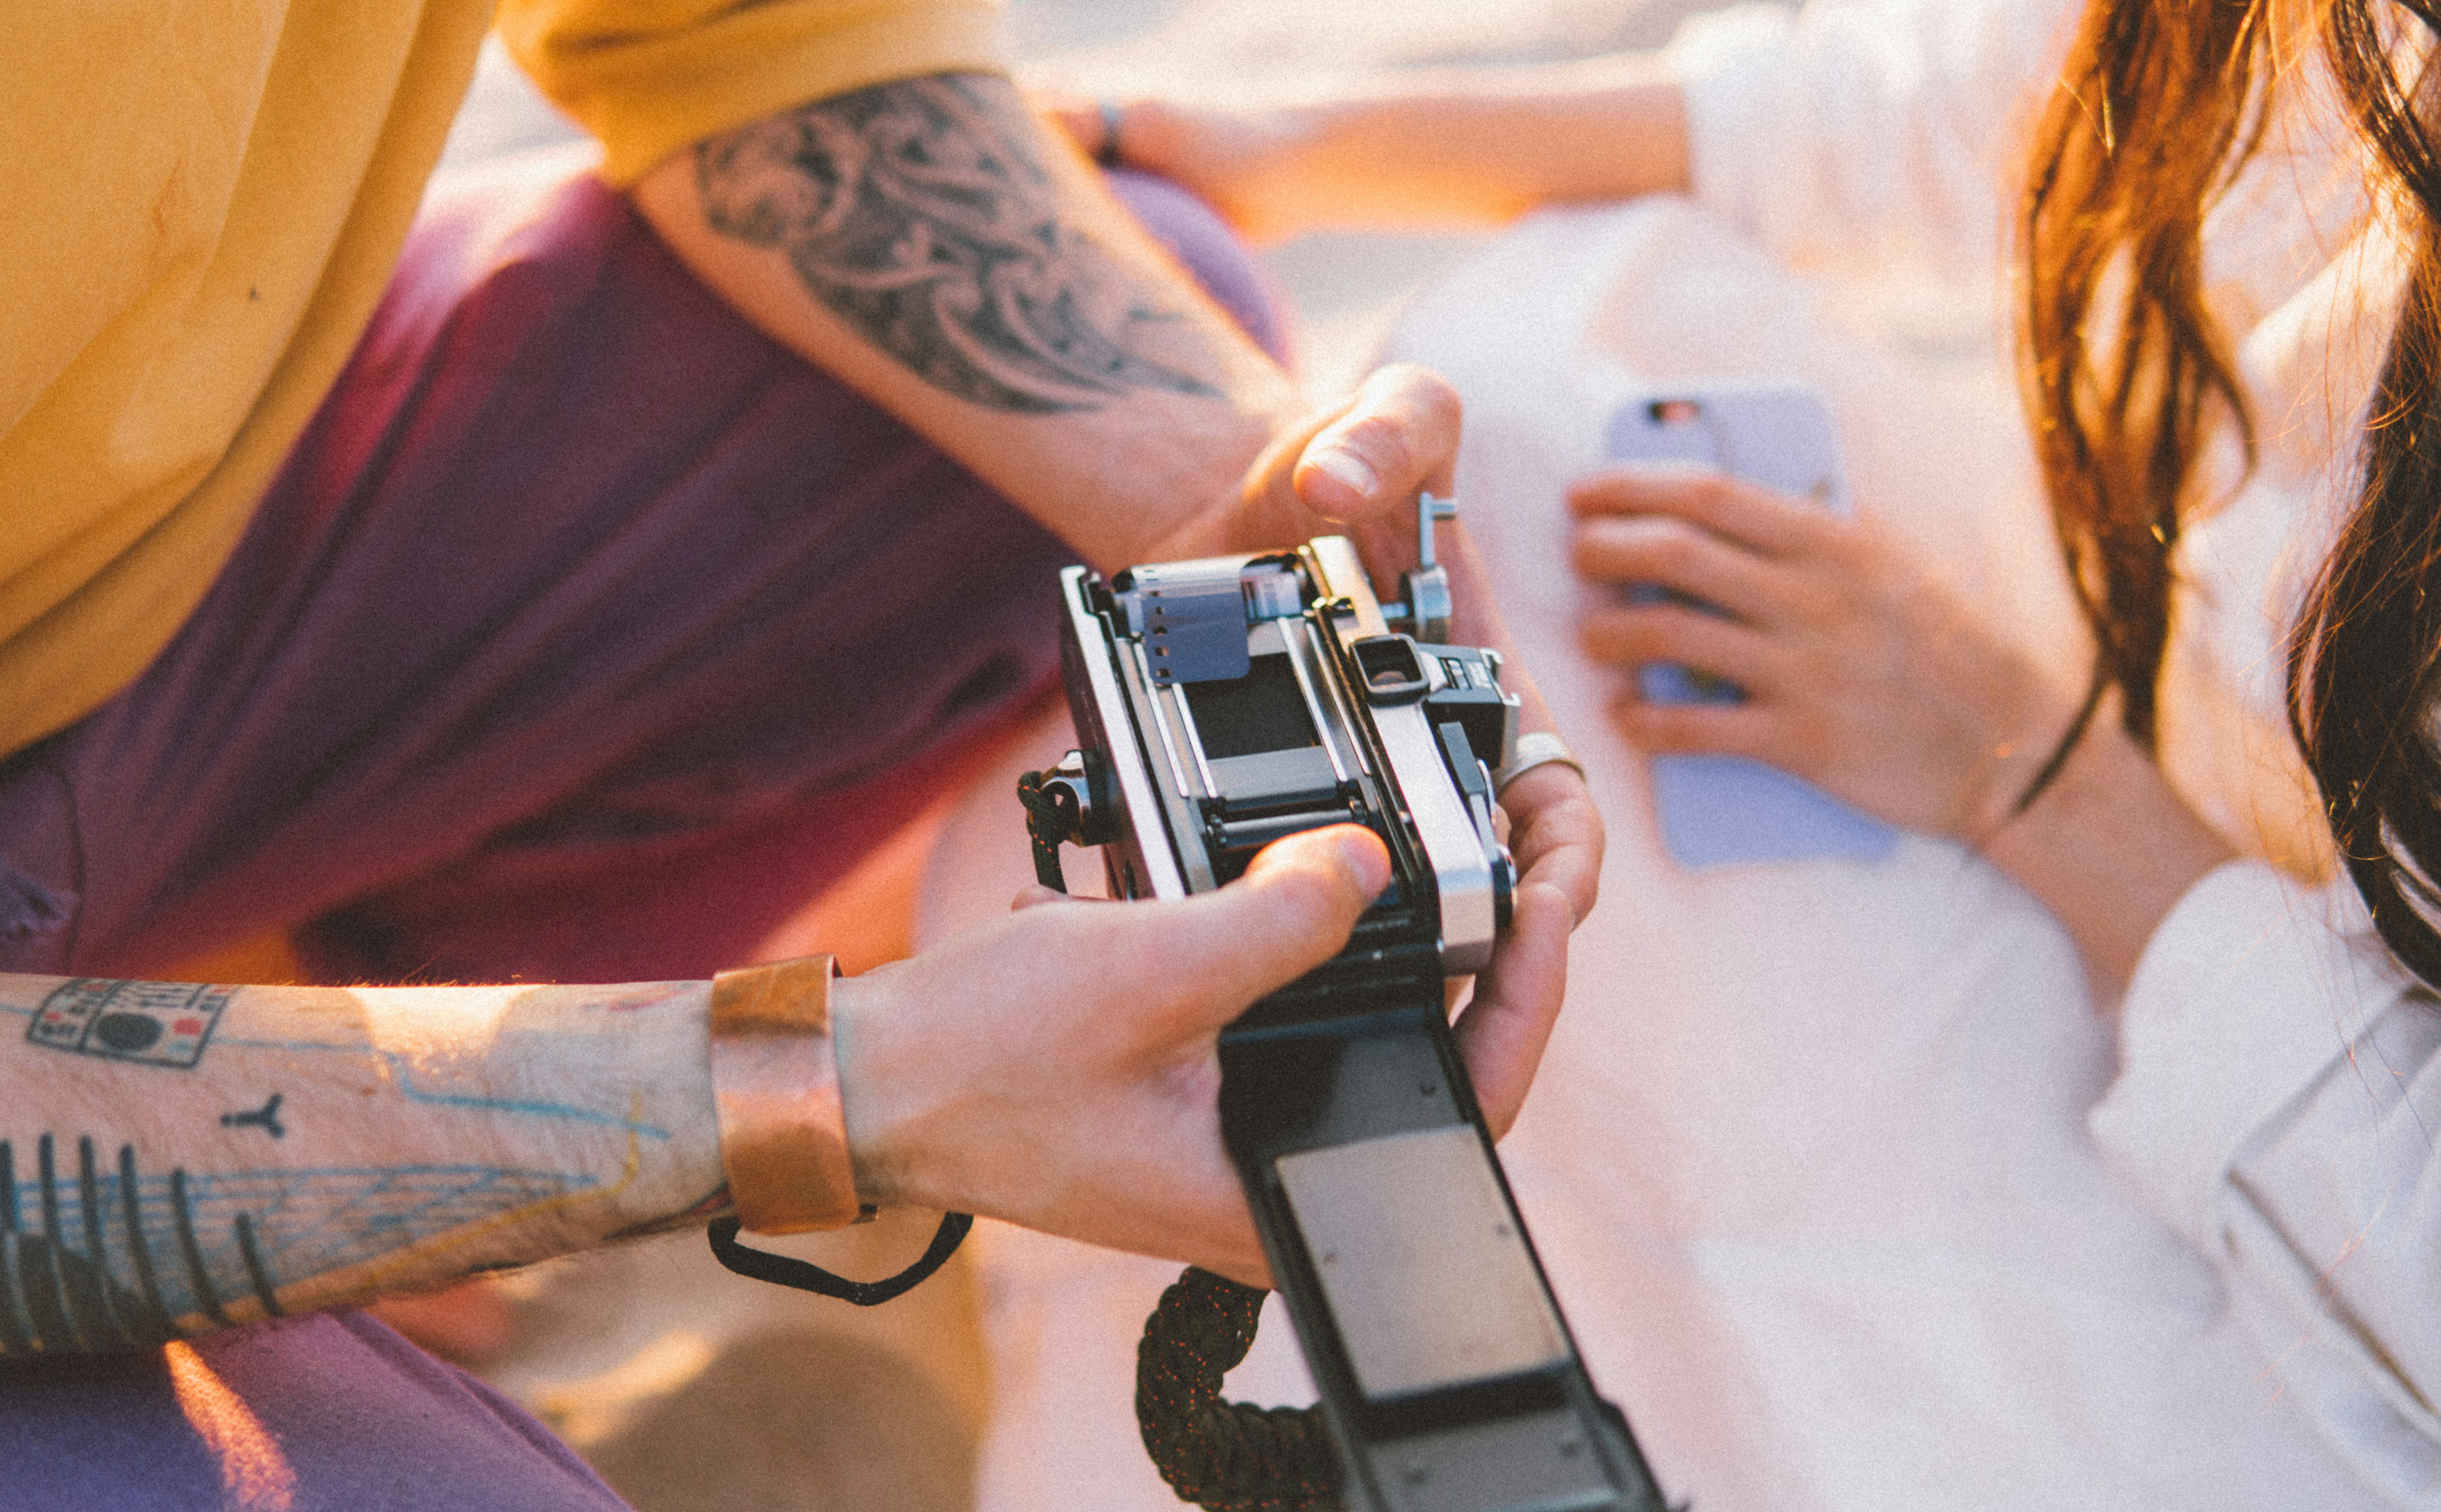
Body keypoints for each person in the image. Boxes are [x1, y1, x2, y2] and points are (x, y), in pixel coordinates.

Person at [0, 0, 1604, 1505]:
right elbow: (829, 1091)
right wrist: (824, 1087)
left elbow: (750, 36)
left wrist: (1283, 528)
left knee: (1129, 321)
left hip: (84, 618)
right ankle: (289, 1146)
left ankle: (254, 1032)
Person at [933, 2, 2436, 1508]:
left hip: (2306, 1218)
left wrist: (2016, 767)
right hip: (2097, 704)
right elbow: (2001, 102)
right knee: (1516, 392)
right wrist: (1287, 145)